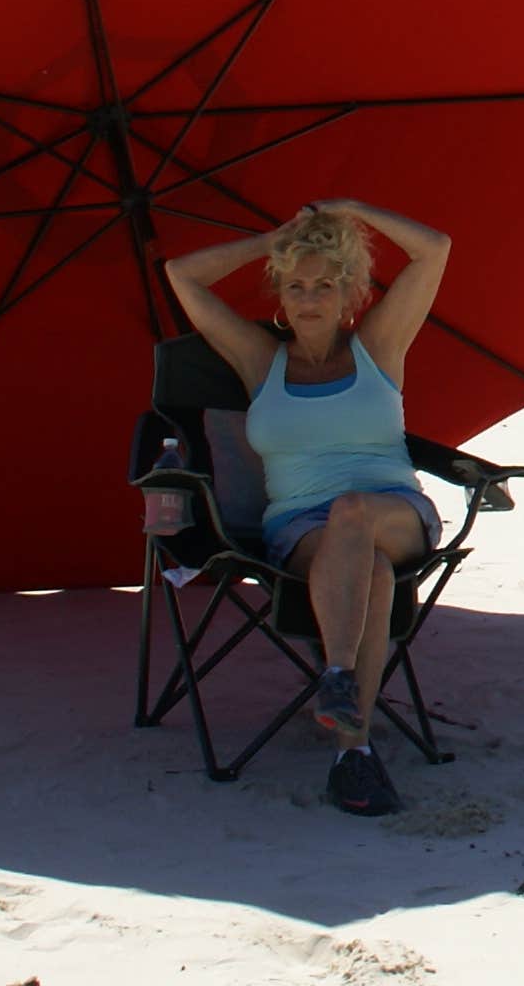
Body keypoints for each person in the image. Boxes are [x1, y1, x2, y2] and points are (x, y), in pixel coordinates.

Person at [161, 199, 452, 816]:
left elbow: (435, 249)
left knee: (354, 514)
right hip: (298, 527)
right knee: (365, 567)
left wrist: (353, 211)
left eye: (325, 284)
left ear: (350, 293)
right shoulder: (259, 360)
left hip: (395, 510)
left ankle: (338, 675)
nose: (309, 297)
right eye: (295, 284)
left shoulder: (379, 345)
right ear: (280, 294)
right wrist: (272, 239)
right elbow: (181, 275)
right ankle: (354, 753)